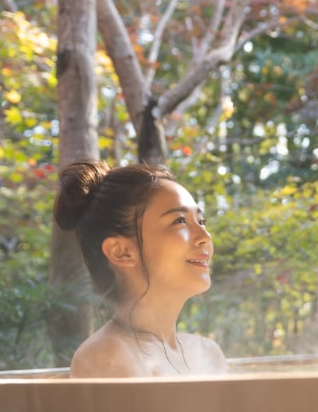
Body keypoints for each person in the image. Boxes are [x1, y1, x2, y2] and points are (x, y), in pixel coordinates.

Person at [53, 160, 229, 377]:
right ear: (121, 251)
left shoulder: (208, 353)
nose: (205, 236)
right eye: (180, 221)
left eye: (201, 221)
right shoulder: (107, 355)